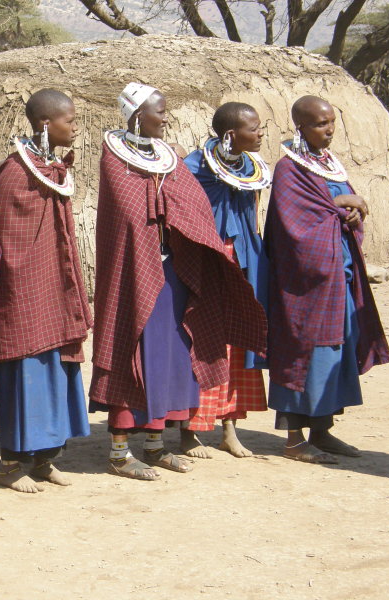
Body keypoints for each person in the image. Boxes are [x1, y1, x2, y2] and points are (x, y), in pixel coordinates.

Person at [89, 83, 267, 480]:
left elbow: (193, 204)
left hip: (173, 272)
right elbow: (131, 212)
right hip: (133, 272)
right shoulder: (115, 156)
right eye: (160, 111)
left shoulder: (168, 157)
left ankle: (155, 444)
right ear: (138, 116)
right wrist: (165, 206)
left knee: (170, 355)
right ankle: (120, 451)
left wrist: (177, 213)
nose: (166, 118)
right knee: (131, 351)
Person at [265, 95, 389, 463]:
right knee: (303, 352)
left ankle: (322, 430)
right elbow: (295, 226)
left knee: (336, 350)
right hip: (305, 284)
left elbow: (338, 208)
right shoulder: (290, 170)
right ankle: (294, 439)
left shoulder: (329, 165)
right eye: (321, 123)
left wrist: (351, 215)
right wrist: (342, 206)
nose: (329, 129)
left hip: (339, 276)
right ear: (300, 127)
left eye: (332, 121)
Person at [0, 89, 91, 493]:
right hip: (26, 289)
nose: (76, 126)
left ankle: (47, 457)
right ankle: (14, 463)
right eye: (70, 119)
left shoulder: (52, 167)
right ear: (46, 123)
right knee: (26, 369)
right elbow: (7, 240)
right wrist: (26, 283)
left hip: (55, 285)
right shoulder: (16, 173)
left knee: (58, 366)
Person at [182, 102, 271, 458]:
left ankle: (228, 426)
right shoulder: (195, 168)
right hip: (207, 262)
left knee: (236, 342)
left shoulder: (253, 169)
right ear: (231, 135)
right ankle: (189, 431)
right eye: (255, 128)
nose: (261, 133)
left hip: (244, 261)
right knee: (199, 341)